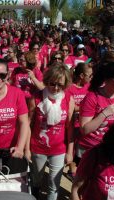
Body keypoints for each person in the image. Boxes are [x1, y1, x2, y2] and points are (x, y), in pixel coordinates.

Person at [28, 62, 74, 200]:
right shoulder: (36, 97)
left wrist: (70, 152)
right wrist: (26, 148)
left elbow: (70, 127)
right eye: (52, 83)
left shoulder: (68, 98)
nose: (55, 88)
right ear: (47, 81)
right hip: (38, 147)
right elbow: (28, 124)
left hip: (59, 149)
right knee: (36, 179)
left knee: (54, 185)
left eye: (60, 85)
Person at [78, 62, 114, 158]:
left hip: (111, 147)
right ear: (106, 79)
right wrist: (104, 114)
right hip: (90, 148)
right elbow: (85, 130)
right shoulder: (92, 97)